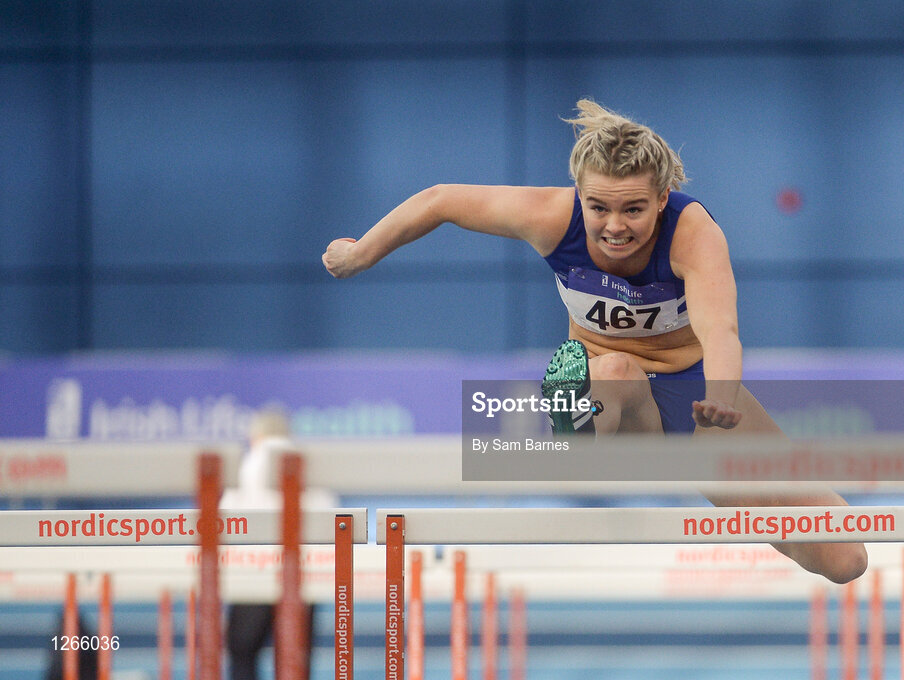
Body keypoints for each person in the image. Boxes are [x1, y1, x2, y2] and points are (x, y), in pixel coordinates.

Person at [322, 99, 867, 584]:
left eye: (633, 209)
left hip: (692, 394)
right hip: (610, 387)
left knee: (844, 559)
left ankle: (607, 434)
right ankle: (575, 430)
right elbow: (439, 199)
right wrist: (360, 252)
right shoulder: (551, 217)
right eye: (599, 207)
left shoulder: (693, 233)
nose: (614, 227)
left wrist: (722, 396)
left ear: (662, 198)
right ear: (578, 195)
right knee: (609, 372)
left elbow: (720, 329)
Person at [220, 408, 336, 680]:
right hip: (303, 573)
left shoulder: (249, 463)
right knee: (295, 657)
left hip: (254, 570)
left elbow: (226, 518)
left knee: (243, 651)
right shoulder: (309, 462)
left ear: (256, 436)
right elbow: (330, 518)